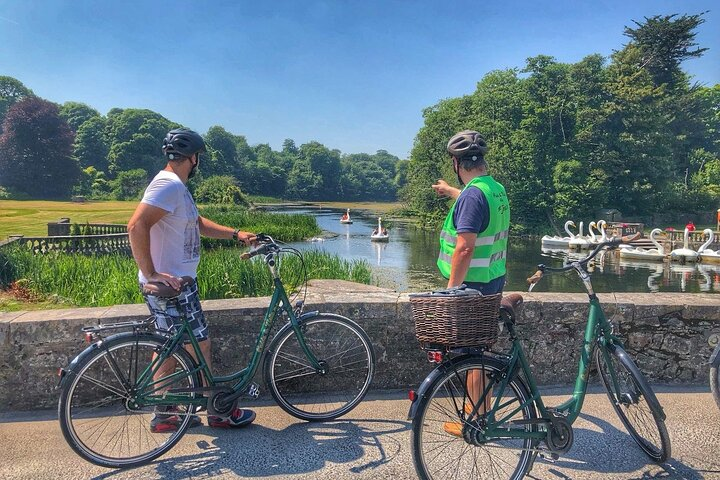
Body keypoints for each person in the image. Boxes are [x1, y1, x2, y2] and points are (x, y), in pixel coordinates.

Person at [127, 128, 258, 432]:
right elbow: (136, 226)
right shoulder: (168, 185)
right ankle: (217, 412)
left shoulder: (176, 187)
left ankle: (167, 412)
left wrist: (236, 234)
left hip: (178, 284)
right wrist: (152, 274)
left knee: (170, 346)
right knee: (200, 346)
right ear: (194, 158)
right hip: (172, 286)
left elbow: (195, 224)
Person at [431, 130, 510, 436]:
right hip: (492, 280)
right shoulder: (494, 189)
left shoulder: (474, 195)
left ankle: (474, 422)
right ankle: (482, 415)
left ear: (456, 162)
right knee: (482, 355)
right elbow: (473, 202)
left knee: (471, 358)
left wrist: (452, 291)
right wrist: (451, 190)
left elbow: (464, 247)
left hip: (471, 288)